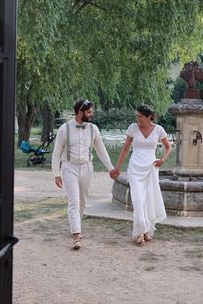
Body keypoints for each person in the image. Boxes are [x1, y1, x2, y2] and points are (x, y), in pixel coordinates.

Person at [52, 99, 115, 250]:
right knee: (74, 201)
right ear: (80, 112)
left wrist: (110, 168)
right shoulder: (64, 129)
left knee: (82, 201)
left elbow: (101, 150)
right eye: (89, 112)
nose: (91, 114)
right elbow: (56, 154)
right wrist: (56, 173)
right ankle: (76, 235)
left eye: (91, 112)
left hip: (87, 167)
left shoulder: (93, 129)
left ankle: (76, 225)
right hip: (69, 168)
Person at [110, 105, 172, 245]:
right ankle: (139, 232)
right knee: (138, 201)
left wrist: (163, 159)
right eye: (137, 116)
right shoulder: (132, 128)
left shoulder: (158, 129)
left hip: (151, 167)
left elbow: (169, 147)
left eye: (140, 116)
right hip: (135, 168)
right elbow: (125, 149)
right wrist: (118, 168)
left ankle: (147, 231)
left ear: (149, 116)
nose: (138, 119)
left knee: (148, 200)